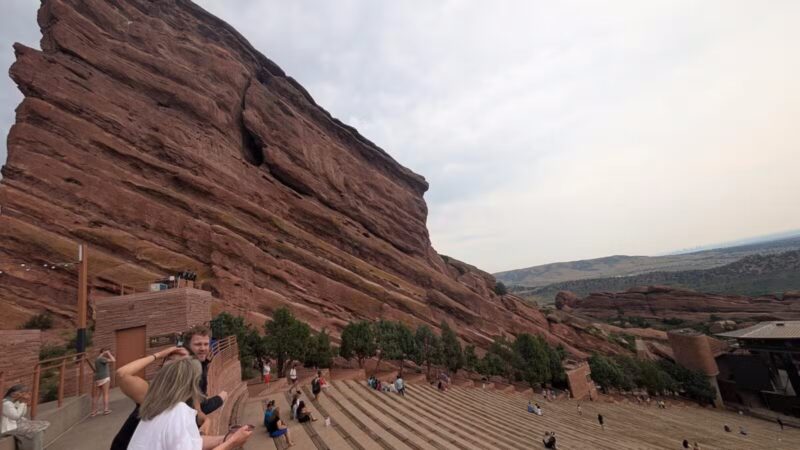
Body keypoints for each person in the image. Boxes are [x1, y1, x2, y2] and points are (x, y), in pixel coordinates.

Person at [112, 346, 232, 450]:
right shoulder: (152, 393)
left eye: (183, 360)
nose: (177, 363)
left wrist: (207, 421)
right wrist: (159, 354)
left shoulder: (187, 396)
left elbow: (199, 415)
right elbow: (122, 374)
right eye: (170, 359)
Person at [127, 358, 252, 450]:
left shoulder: (155, 409)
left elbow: (191, 443)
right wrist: (233, 442)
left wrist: (225, 438)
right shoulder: (178, 411)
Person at [184, 325, 228, 415]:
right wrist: (220, 398)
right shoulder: (190, 369)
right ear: (188, 346)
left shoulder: (200, 364)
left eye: (206, 344)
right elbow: (196, 411)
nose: (203, 348)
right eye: (198, 344)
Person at [2, 384, 49, 450]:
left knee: (41, 427)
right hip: (9, 428)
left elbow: (23, 414)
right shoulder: (6, 404)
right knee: (35, 431)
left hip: (16, 424)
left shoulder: (14, 401)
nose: (24, 394)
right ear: (13, 394)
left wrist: (23, 402)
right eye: (21, 393)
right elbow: (16, 416)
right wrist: (22, 402)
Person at [91, 347, 115, 416]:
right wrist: (108, 353)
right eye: (107, 351)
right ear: (103, 351)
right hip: (104, 378)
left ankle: (94, 411)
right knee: (106, 394)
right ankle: (106, 410)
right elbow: (113, 360)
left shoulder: (96, 359)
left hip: (97, 379)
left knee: (96, 396)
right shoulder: (102, 359)